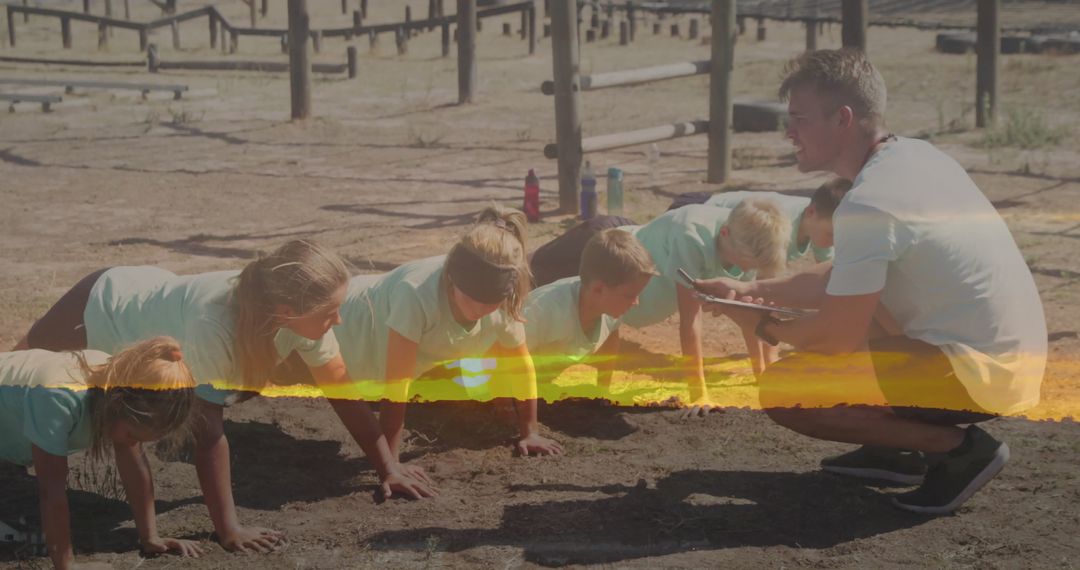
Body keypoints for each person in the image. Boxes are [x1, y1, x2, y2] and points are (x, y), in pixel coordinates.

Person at [699, 48, 1047, 514]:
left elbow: (835, 336)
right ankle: (894, 448)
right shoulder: (916, 157)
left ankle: (958, 450)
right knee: (864, 307)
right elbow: (844, 278)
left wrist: (761, 325)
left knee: (786, 390)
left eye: (800, 119)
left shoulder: (869, 203)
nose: (789, 132)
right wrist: (752, 291)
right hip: (1005, 361)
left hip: (979, 376)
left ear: (842, 119)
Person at [15, 240, 433, 554]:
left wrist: (388, 467)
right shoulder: (212, 324)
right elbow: (208, 434)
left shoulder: (292, 316)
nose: (338, 320)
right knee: (13, 377)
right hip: (99, 307)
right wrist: (229, 530)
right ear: (287, 310)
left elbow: (342, 390)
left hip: (145, 298)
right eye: (329, 313)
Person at [333, 207, 564, 466]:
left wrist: (530, 432)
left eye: (490, 301)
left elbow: (520, 366)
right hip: (345, 326)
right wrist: (391, 463)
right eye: (472, 298)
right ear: (452, 280)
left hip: (392, 352)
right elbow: (397, 384)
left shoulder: (506, 301)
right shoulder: (416, 293)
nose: (479, 309)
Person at [530, 201, 791, 414]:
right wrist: (699, 395)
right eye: (746, 262)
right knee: (532, 273)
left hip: (633, 259)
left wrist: (761, 373)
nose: (746, 269)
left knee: (582, 329)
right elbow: (691, 321)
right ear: (724, 234)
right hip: (608, 250)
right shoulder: (692, 239)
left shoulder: (744, 241)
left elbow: (746, 312)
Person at [0, 337, 200, 569]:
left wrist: (151, 537)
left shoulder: (123, 384)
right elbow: (51, 489)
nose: (133, 443)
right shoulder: (57, 397)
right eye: (131, 434)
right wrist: (67, 565)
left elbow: (134, 466)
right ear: (116, 405)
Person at [524, 228, 656, 394]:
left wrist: (602, 390)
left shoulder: (609, 309)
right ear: (598, 289)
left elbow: (611, 338)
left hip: (536, 382)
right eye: (630, 295)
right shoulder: (543, 311)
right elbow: (501, 358)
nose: (636, 302)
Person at [704, 178, 851, 264]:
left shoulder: (822, 221)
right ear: (811, 212)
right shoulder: (779, 224)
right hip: (710, 214)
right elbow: (761, 269)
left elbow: (827, 266)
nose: (835, 242)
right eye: (831, 234)